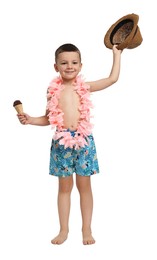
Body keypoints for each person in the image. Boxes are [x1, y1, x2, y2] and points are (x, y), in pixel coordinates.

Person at [17, 43, 122, 245]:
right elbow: (48, 119)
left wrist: (116, 55)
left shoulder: (85, 86)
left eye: (74, 62)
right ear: (56, 67)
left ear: (81, 66)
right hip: (61, 144)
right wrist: (30, 120)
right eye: (64, 62)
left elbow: (112, 79)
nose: (69, 66)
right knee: (64, 187)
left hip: (84, 141)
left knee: (85, 187)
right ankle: (63, 230)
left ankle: (87, 229)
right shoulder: (52, 90)